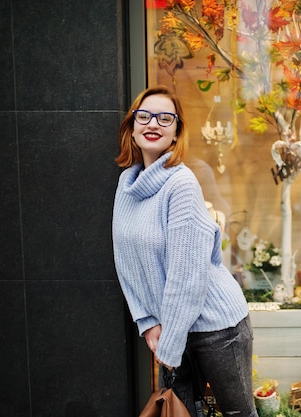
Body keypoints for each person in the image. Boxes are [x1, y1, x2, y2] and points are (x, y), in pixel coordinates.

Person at [112, 85, 258, 417]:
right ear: (132, 130)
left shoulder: (181, 184)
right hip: (170, 328)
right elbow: (125, 261)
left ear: (177, 133)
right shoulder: (126, 185)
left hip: (217, 326)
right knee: (179, 412)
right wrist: (148, 322)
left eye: (165, 118)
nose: (153, 123)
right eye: (144, 116)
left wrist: (171, 343)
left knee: (238, 414)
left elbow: (187, 275)